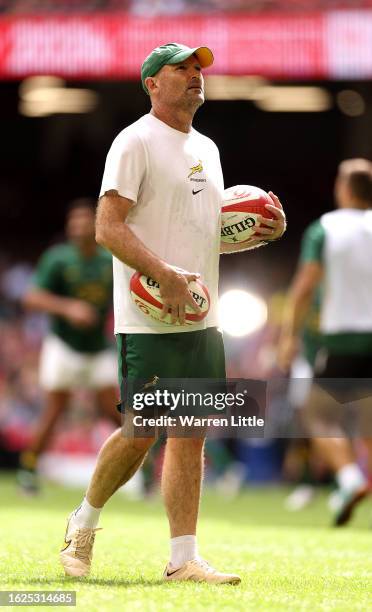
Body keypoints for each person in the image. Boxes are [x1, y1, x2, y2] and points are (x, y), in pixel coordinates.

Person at [60, 43, 286, 584]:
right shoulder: (134, 140)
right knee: (143, 432)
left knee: (191, 432)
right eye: (180, 69)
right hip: (150, 313)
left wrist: (254, 234)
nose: (193, 76)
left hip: (201, 316)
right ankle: (83, 522)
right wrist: (165, 274)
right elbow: (107, 228)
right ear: (151, 85)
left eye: (197, 69)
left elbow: (202, 239)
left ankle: (183, 557)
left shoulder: (207, 147)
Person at [278, 158, 372, 525]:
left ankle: (349, 480)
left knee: (317, 415)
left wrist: (288, 336)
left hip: (341, 338)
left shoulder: (325, 229)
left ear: (343, 188)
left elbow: (304, 288)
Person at [17, 199, 119, 494]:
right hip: (63, 345)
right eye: (74, 222)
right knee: (54, 410)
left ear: (96, 225)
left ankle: (147, 472)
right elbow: (32, 297)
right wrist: (68, 307)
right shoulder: (58, 259)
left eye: (85, 221)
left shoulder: (108, 261)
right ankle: (28, 470)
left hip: (97, 347)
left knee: (113, 411)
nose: (78, 227)